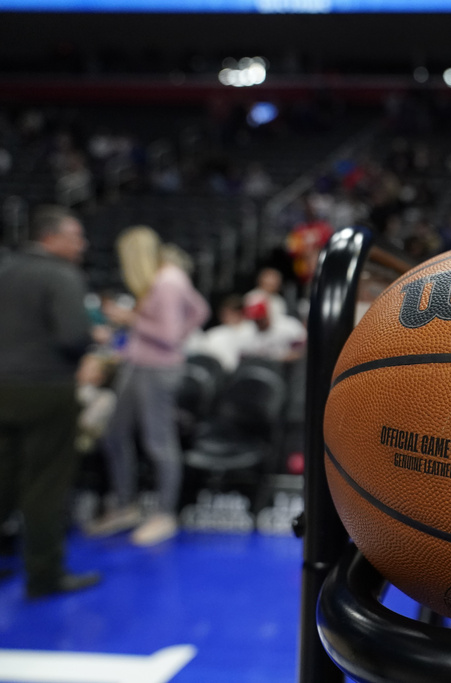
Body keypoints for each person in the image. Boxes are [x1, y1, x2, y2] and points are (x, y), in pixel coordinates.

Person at [0, 205, 103, 598]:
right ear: (50, 238)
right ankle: (44, 575)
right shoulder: (60, 275)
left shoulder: (5, 268)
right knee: (45, 484)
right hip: (45, 388)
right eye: (76, 236)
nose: (83, 244)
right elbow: (74, 336)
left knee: (3, 479)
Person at [90, 227, 209, 546]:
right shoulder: (164, 277)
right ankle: (125, 504)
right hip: (138, 363)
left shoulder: (168, 282)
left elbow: (168, 334)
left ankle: (164, 514)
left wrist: (128, 318)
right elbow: (200, 310)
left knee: (158, 441)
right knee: (114, 433)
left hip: (157, 369)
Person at [237, 293, 307, 363]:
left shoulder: (289, 326)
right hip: (262, 369)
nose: (258, 321)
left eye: (260, 318)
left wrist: (285, 357)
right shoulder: (246, 333)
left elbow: (304, 350)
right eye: (255, 319)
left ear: (268, 312)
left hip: (288, 368)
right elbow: (243, 360)